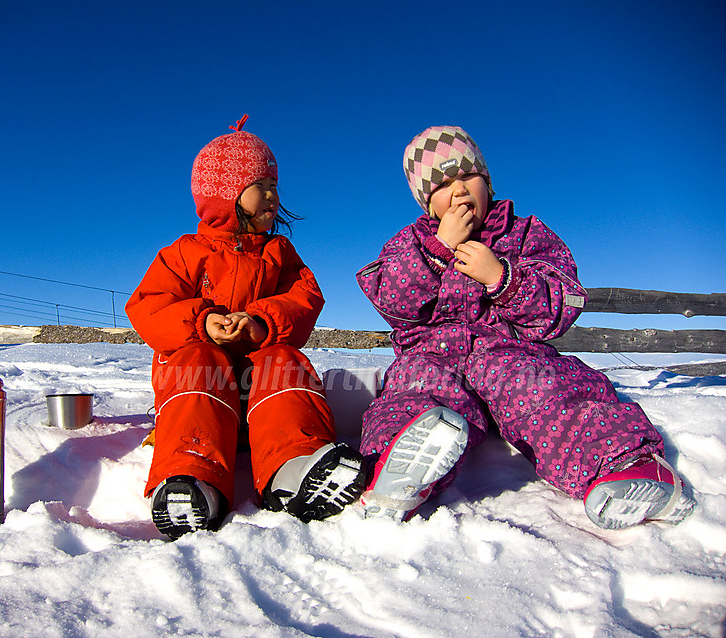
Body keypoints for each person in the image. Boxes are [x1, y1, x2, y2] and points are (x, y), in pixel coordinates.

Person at [355, 125, 695, 530]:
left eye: (468, 177)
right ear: (426, 203)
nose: (459, 190)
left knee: (541, 392)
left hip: (509, 354)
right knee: (415, 388)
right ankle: (396, 470)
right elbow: (393, 302)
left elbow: (560, 304)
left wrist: (503, 277)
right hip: (433, 354)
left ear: (488, 182)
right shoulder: (412, 243)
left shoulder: (524, 234)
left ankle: (627, 466)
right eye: (443, 185)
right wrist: (437, 252)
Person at [126, 116, 365, 540]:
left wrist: (260, 323)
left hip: (262, 398)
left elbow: (304, 298)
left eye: (275, 186)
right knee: (198, 360)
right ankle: (191, 479)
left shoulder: (279, 252)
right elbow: (148, 306)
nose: (273, 196)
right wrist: (202, 322)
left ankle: (293, 466)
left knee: (284, 359)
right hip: (201, 396)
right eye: (261, 186)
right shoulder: (183, 253)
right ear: (225, 194)